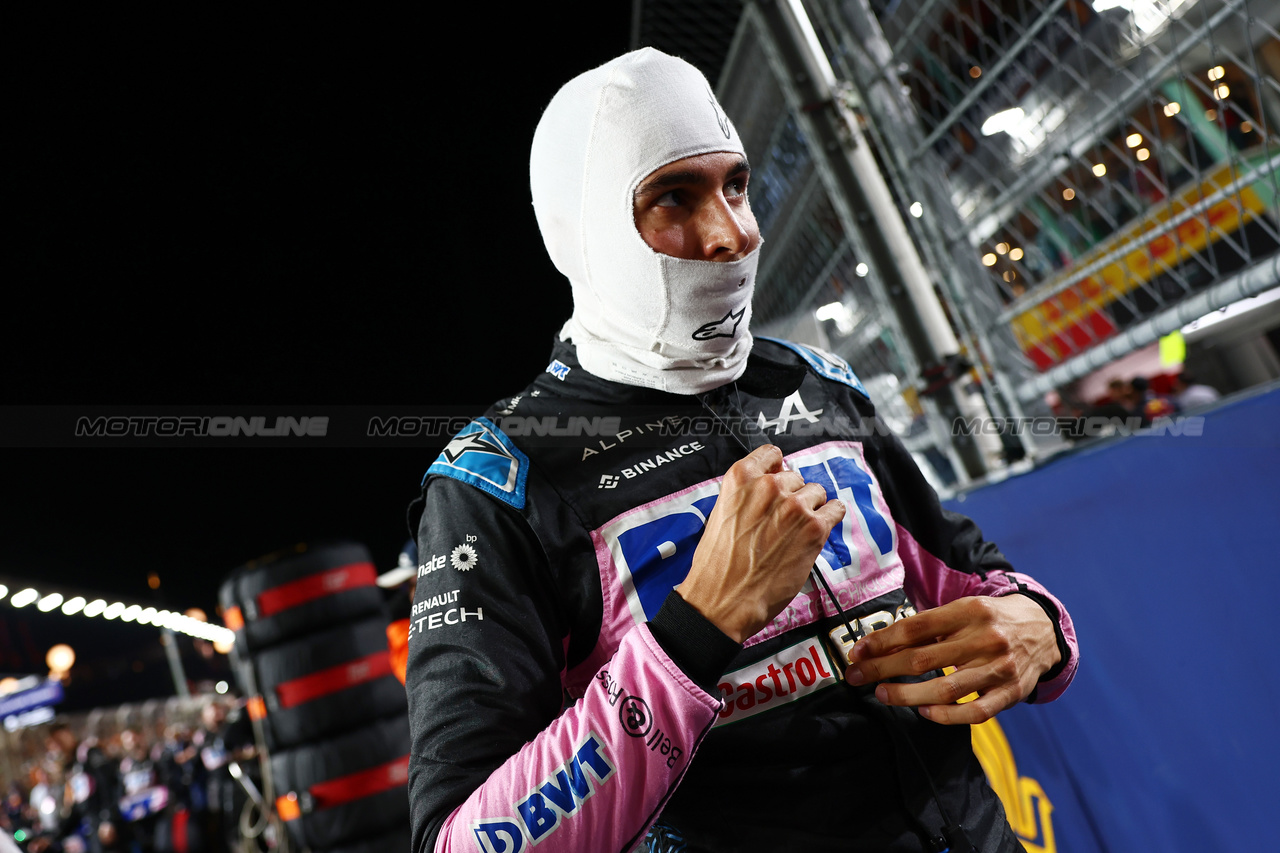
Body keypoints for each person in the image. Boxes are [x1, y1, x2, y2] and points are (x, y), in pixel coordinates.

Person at [405, 48, 1077, 852]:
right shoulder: (501, 479)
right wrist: (695, 630)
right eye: (673, 198)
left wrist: (1042, 625)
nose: (730, 234)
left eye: (735, 185)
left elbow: (966, 571)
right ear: (584, 231)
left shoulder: (819, 383)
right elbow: (460, 840)